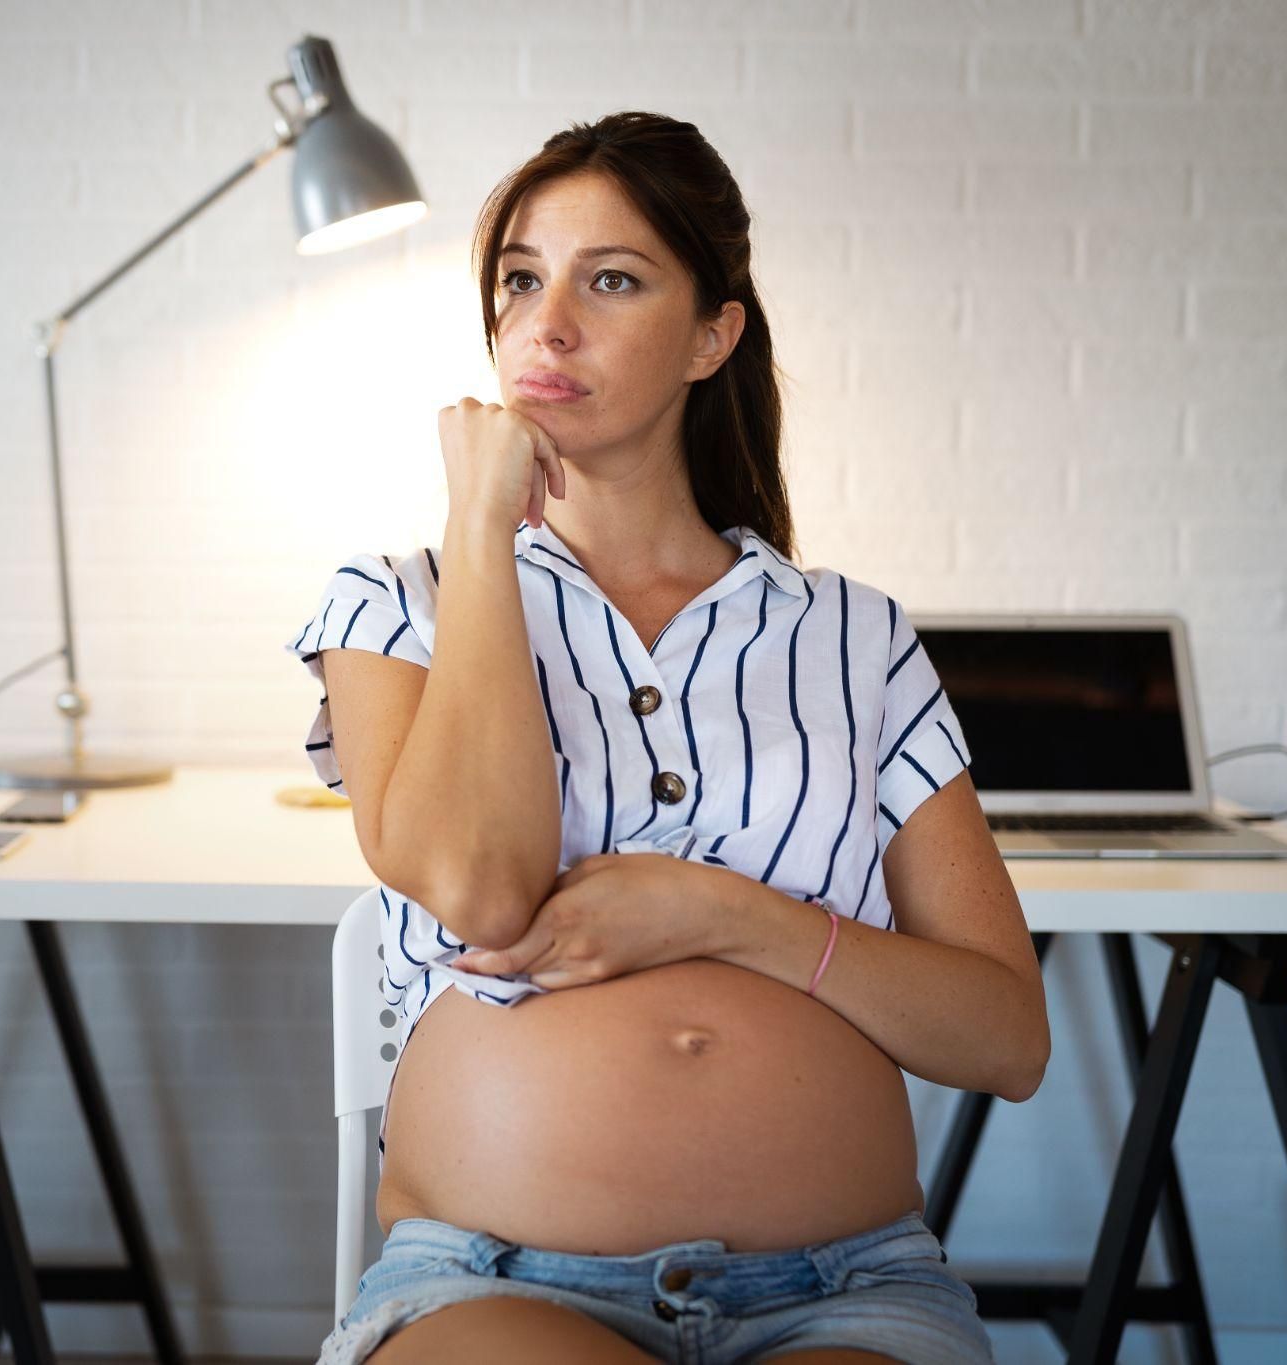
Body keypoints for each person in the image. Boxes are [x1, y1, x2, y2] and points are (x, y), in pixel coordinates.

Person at [284, 111, 1048, 1365]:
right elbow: (479, 884)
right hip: (492, 1281)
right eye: (520, 280)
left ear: (712, 335)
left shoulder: (852, 636)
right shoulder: (396, 604)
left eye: (613, 279)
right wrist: (480, 529)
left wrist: (723, 914)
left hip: (845, 1288)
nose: (549, 322)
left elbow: (1003, 1040)